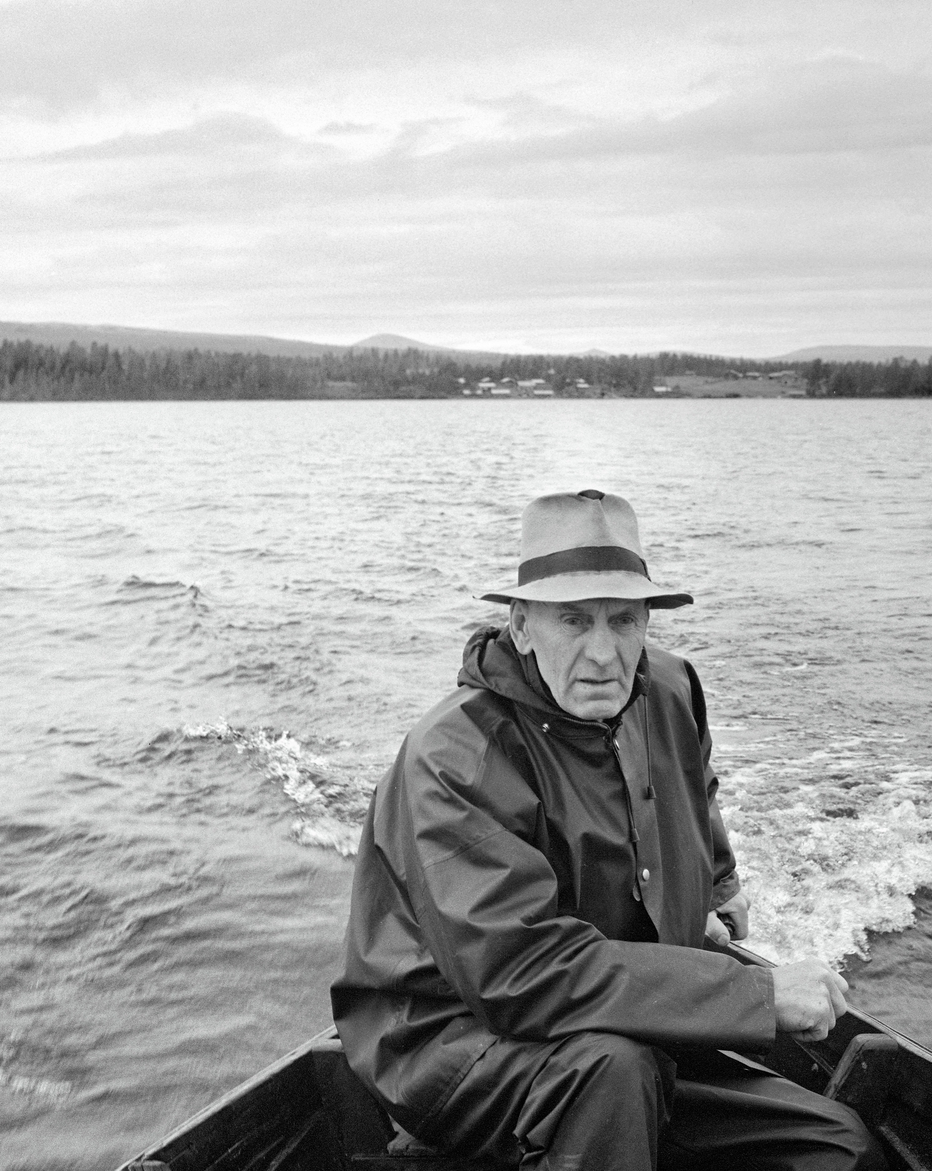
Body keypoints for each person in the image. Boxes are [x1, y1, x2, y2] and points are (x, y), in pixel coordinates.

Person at [332, 490, 885, 1170]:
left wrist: (716, 886)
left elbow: (696, 787)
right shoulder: (456, 758)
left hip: (615, 1021)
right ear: (522, 624)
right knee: (613, 1073)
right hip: (453, 1040)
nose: (603, 652)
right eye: (573, 620)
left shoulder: (671, 687)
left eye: (623, 620)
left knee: (838, 1148)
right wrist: (757, 996)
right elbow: (523, 973)